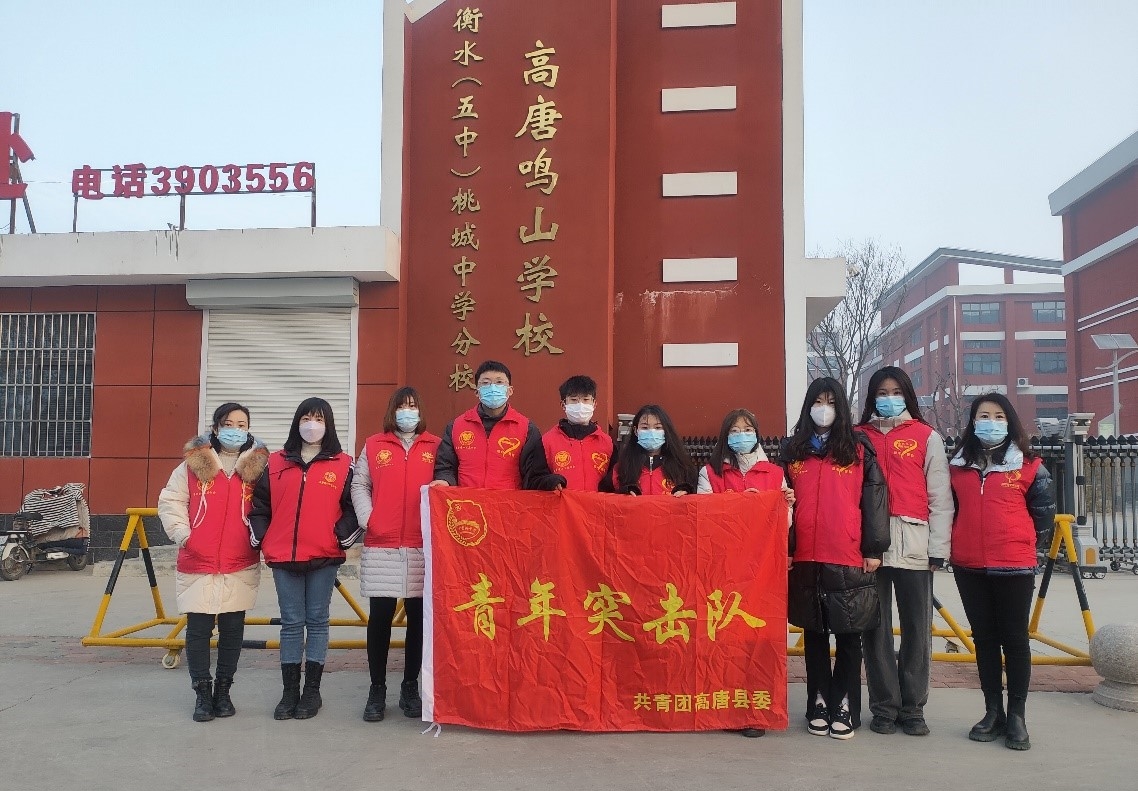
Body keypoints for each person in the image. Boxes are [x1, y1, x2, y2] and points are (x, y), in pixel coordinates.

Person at [781, 377, 889, 740]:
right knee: (813, 634)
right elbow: (781, 504)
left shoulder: (858, 448)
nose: (823, 409)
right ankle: (819, 702)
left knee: (848, 634)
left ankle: (845, 705)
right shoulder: (793, 450)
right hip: (806, 554)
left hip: (847, 552)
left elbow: (874, 498)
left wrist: (874, 548)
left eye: (830, 402)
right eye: (817, 401)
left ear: (840, 407)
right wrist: (787, 547)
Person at [949, 393, 1055, 751]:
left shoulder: (1030, 465)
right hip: (968, 564)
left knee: (1015, 639)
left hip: (1014, 566)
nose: (990, 422)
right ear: (972, 421)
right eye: (983, 415)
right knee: (984, 639)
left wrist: (1019, 543)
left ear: (1009, 422)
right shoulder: (957, 466)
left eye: (998, 416)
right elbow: (950, 509)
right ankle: (992, 711)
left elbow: (1043, 516)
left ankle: (1017, 716)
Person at [856, 367, 953, 737]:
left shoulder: (926, 436)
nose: (889, 398)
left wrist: (938, 547)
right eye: (882, 392)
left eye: (896, 392)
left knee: (917, 629)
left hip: (915, 544)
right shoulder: (858, 436)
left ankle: (913, 707)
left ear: (908, 395)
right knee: (874, 630)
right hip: (870, 548)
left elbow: (940, 496)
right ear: (871, 398)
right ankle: (884, 706)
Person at [249, 398, 360, 721]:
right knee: (292, 622)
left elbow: (353, 507)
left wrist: (340, 536)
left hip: (324, 556)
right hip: (284, 556)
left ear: (329, 425)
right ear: (297, 422)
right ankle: (289, 692)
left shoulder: (344, 464)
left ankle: (312, 691)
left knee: (318, 620)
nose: (312, 425)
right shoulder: (275, 462)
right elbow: (259, 506)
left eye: (319, 419)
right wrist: (265, 538)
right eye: (307, 418)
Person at [158, 402, 269, 722]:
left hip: (240, 559)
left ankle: (223, 691)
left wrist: (259, 539)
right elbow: (171, 501)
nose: (235, 430)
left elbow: (271, 506)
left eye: (242, 425)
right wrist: (185, 536)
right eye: (229, 424)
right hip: (198, 558)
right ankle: (202, 694)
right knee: (198, 629)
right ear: (217, 428)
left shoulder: (260, 468)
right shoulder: (194, 465)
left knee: (233, 630)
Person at [697, 407, 794, 739]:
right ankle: (724, 705)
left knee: (759, 639)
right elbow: (703, 517)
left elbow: (784, 523)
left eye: (748, 429)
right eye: (735, 430)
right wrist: (741, 503)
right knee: (723, 638)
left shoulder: (775, 473)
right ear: (726, 436)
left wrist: (785, 505)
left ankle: (755, 710)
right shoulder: (710, 473)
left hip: (762, 571)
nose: (742, 435)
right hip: (722, 568)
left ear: (757, 433)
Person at [351, 387, 439, 723]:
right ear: (392, 410)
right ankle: (377, 689)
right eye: (402, 406)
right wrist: (369, 519)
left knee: (418, 620)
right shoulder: (374, 444)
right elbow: (360, 485)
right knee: (380, 618)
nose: (407, 411)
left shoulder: (434, 446)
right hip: (382, 543)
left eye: (413, 406)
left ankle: (409, 686)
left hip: (421, 543)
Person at [431, 360, 565, 490]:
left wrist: (548, 482)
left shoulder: (526, 429)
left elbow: (534, 474)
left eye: (499, 382)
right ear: (477, 392)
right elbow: (445, 466)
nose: (493, 388)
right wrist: (445, 480)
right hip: (467, 502)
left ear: (510, 390)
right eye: (486, 383)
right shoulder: (456, 426)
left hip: (507, 503)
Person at [605, 404, 697, 496]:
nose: (652, 432)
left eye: (658, 428)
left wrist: (687, 492)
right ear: (636, 431)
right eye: (645, 428)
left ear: (666, 431)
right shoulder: (621, 469)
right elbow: (605, 498)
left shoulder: (683, 468)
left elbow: (695, 498)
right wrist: (624, 493)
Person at [542, 375, 613, 491]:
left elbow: (616, 480)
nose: (580, 405)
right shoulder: (547, 441)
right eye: (574, 400)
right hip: (562, 502)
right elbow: (537, 477)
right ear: (563, 405)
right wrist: (550, 482)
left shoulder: (607, 443)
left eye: (586, 400)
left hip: (595, 502)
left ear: (594, 404)